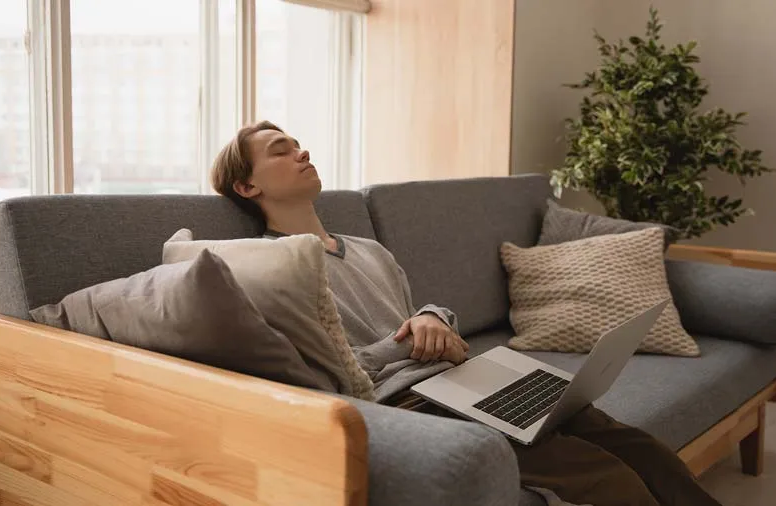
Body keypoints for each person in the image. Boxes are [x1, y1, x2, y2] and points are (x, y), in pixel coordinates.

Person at [209, 121, 722, 506]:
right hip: (412, 405)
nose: (301, 151)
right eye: (281, 150)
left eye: (297, 143)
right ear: (248, 188)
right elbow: (326, 374)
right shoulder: (271, 267)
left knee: (639, 447)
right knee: (610, 479)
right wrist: (408, 341)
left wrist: (432, 317)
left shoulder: (368, 249)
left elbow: (419, 315)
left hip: (468, 375)